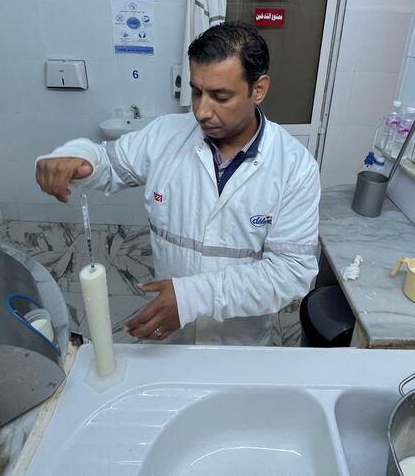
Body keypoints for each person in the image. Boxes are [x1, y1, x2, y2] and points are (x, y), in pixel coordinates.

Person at [35, 22, 320, 345]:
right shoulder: (165, 135)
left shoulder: (294, 166)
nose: (201, 110)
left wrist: (191, 298)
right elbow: (110, 163)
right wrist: (78, 156)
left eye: (220, 96)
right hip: (171, 334)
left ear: (259, 89)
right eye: (197, 91)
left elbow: (291, 272)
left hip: (239, 341)